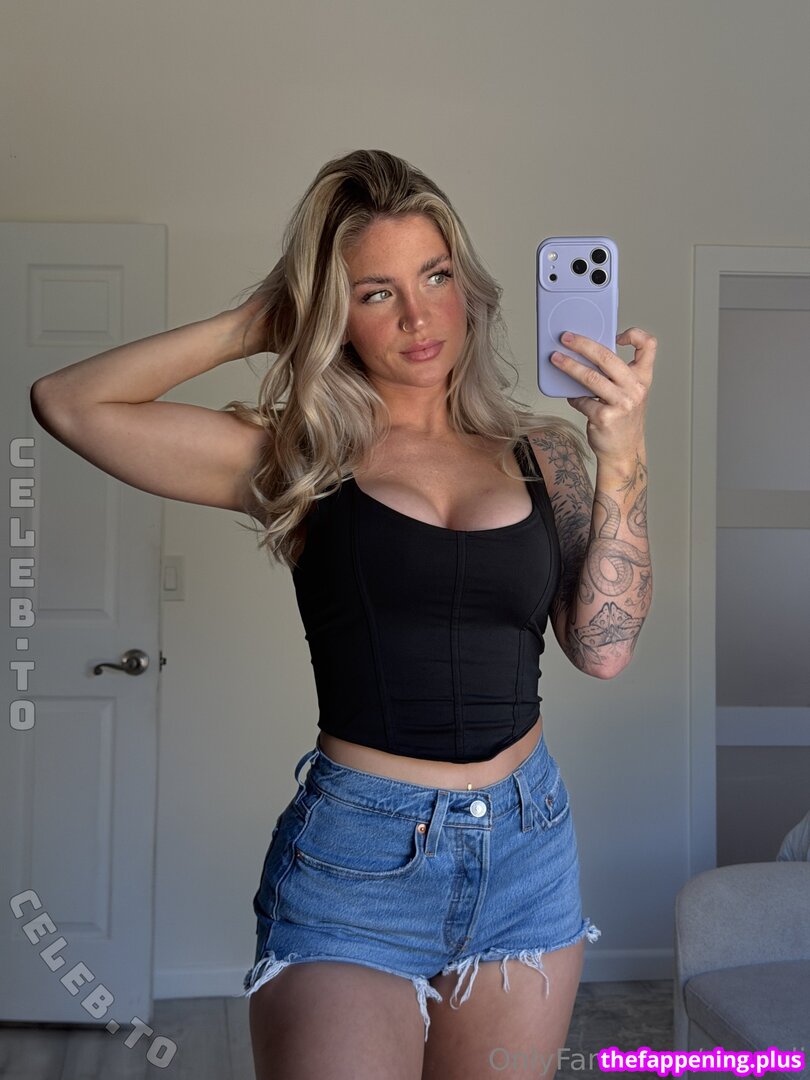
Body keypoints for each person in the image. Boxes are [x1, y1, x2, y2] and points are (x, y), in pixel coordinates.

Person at [30, 149, 656, 1080]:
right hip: (357, 857)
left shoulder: (545, 451)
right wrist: (258, 321)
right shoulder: (300, 454)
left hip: (528, 846)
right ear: (333, 311)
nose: (418, 318)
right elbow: (68, 404)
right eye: (375, 293)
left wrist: (624, 453)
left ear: (469, 287)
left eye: (435, 276)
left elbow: (603, 648)